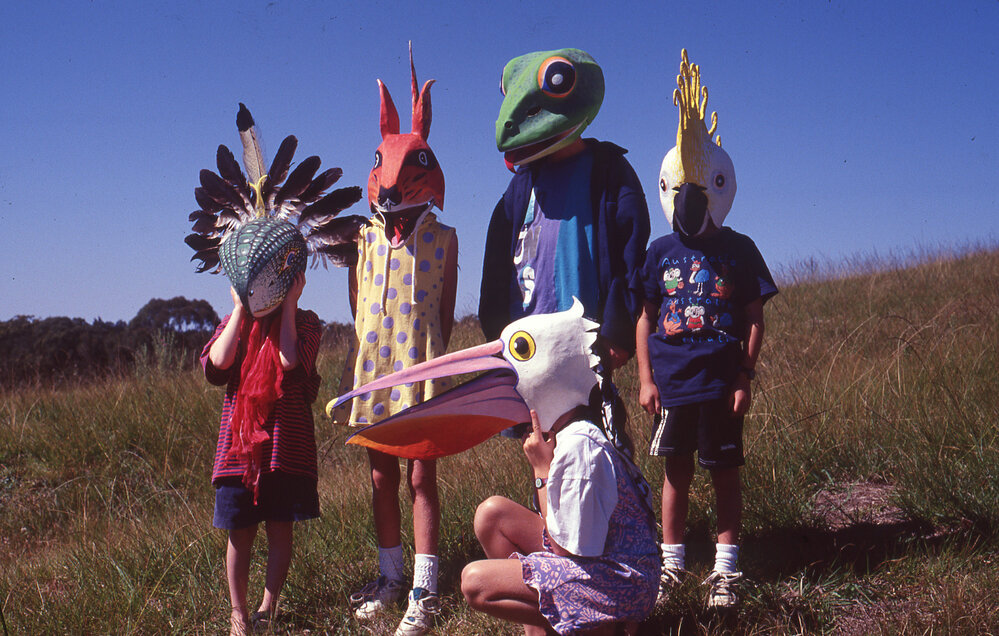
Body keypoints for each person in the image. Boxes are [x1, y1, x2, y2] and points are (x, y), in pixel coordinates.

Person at [635, 49, 778, 609]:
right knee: (675, 471)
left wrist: (744, 374)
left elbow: (753, 316)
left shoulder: (739, 249)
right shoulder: (658, 252)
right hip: (672, 382)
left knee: (723, 470)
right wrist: (646, 380)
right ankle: (671, 568)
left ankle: (726, 570)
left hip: (720, 382)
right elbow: (647, 316)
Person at [330, 48, 458, 636]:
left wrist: (428, 353)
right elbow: (357, 307)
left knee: (420, 475)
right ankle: (390, 575)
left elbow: (447, 310)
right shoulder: (362, 239)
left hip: (420, 368)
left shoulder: (444, 238)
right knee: (381, 475)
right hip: (375, 369)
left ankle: (425, 588)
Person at [479, 48, 650, 379]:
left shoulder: (608, 170)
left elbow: (630, 255)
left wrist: (618, 328)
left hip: (585, 340)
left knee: (588, 426)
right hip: (527, 339)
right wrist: (497, 332)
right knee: (538, 430)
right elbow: (496, 261)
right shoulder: (520, 186)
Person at [461, 404, 660, 635]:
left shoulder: (579, 445)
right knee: (491, 514)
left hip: (623, 581)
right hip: (598, 558)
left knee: (475, 583)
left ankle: (602, 625)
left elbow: (562, 546)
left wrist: (541, 470)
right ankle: (539, 631)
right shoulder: (565, 433)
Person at [204, 274, 323, 636]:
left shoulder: (306, 322)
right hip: (239, 451)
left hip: (283, 449)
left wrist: (289, 305)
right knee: (239, 532)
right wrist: (240, 308)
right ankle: (237, 613)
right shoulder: (232, 325)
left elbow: (289, 360)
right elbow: (218, 363)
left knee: (279, 528)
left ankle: (266, 609)